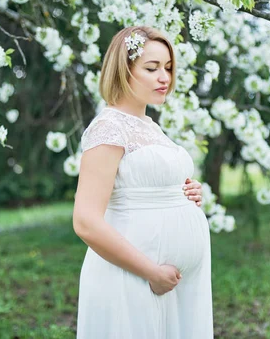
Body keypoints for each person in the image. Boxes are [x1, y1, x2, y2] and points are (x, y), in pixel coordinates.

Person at [73, 26, 213, 338]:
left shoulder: (148, 126)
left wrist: (185, 193)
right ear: (123, 70)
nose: (164, 77)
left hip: (173, 286)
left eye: (168, 68)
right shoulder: (108, 128)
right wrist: (151, 272)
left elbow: (146, 184)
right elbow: (85, 221)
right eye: (152, 68)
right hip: (132, 278)